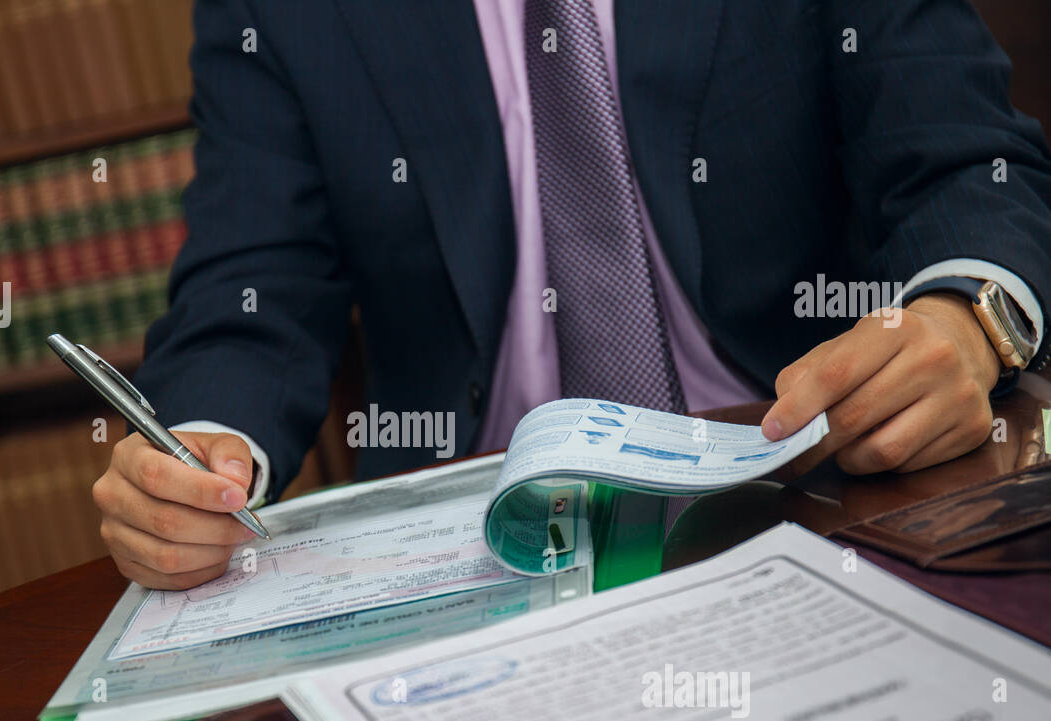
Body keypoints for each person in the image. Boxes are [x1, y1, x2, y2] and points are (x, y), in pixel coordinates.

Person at [92, 0, 1051, 589]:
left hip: (818, 475)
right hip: (479, 546)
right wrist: (205, 450)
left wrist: (967, 319)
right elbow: (254, 277)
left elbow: (966, 157)